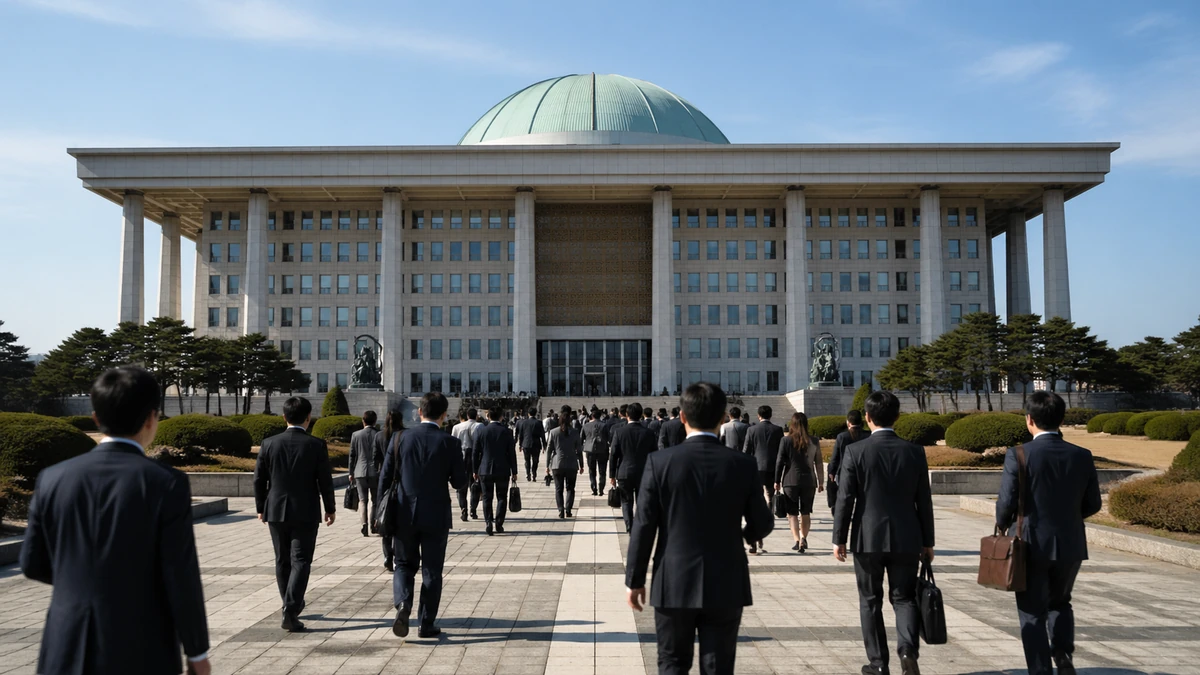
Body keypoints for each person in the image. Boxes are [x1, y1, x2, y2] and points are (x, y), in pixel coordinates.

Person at [21, 366, 211, 675]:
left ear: (96, 418)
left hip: (65, 641)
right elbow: (180, 575)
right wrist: (197, 651)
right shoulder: (166, 482)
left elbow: (32, 563)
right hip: (141, 643)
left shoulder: (52, 478)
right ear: (153, 418)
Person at [626, 382, 774, 675]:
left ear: (682, 416)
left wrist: (635, 579)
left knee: (672, 664)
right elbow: (764, 521)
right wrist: (743, 537)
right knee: (718, 666)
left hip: (673, 578)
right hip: (727, 577)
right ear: (722, 417)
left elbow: (644, 525)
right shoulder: (742, 464)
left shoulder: (660, 462)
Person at [997, 391, 1101, 675]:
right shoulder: (1082, 455)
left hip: (1030, 542)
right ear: (1062, 419)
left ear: (1029, 420)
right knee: (1061, 601)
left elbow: (1006, 500)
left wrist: (1002, 524)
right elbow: (1094, 503)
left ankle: (1040, 669)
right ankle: (1063, 655)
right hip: (1070, 541)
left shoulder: (1018, 454)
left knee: (1031, 609)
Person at [833, 390, 935, 675]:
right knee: (904, 597)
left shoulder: (855, 451)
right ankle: (907, 650)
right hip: (907, 535)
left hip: (867, 537)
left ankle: (878, 663)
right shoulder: (914, 451)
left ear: (867, 417)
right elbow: (923, 500)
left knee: (870, 600)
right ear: (898, 416)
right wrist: (928, 541)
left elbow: (845, 498)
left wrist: (838, 538)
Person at [378, 392, 468, 639]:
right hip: (436, 514)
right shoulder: (449, 442)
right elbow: (460, 482)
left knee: (404, 564)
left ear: (419, 412)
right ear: (443, 415)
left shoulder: (399, 438)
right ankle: (426, 623)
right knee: (432, 570)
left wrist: (379, 511)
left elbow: (385, 479)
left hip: (403, 511)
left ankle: (403, 604)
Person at [254, 396, 336, 632]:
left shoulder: (269, 443)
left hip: (276, 509)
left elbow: (259, 479)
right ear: (309, 418)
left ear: (284, 417)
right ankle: (291, 608)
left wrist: (261, 507)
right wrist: (330, 508)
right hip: (306, 510)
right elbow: (325, 481)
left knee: (282, 559)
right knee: (301, 560)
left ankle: (288, 604)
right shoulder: (316, 445)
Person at [774, 412, 824, 553]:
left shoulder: (785, 440)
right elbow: (818, 462)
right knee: (806, 511)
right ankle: (804, 537)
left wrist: (776, 480)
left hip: (790, 480)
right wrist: (821, 481)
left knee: (793, 513)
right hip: (809, 480)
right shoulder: (814, 441)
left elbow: (779, 462)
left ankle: (796, 539)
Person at [609, 402, 658, 533]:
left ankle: (629, 527)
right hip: (644, 473)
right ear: (641, 415)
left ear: (626, 415)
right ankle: (640, 526)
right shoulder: (648, 433)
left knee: (626, 501)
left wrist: (612, 475)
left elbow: (613, 455)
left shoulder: (619, 432)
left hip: (624, 472)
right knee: (641, 502)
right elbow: (655, 454)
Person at [743, 405, 783, 555]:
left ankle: (755, 537)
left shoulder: (752, 430)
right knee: (770, 495)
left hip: (756, 468)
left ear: (759, 416)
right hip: (773, 468)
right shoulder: (778, 430)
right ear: (771, 415)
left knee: (755, 500)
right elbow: (781, 451)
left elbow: (746, 451)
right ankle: (768, 515)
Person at [475, 407, 520, 535]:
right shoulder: (507, 432)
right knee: (502, 497)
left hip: (484, 468)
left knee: (487, 498)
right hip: (502, 469)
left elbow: (475, 452)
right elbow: (511, 453)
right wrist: (514, 471)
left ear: (488, 417)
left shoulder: (482, 431)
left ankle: (488, 522)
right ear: (501, 417)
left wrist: (475, 469)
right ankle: (499, 524)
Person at [828, 409, 869, 517]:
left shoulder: (842, 436)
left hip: (845, 470)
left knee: (846, 495)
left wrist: (831, 471)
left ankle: (845, 514)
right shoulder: (868, 435)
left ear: (848, 422)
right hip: (864, 471)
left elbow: (835, 456)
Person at [547, 406, 585, 518]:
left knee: (558, 489)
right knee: (570, 488)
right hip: (572, 463)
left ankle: (560, 510)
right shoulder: (575, 432)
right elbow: (579, 450)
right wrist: (581, 465)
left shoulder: (553, 432)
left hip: (557, 464)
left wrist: (547, 466)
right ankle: (568, 509)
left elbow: (549, 450)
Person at [348, 410, 380, 537]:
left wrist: (350, 472)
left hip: (360, 471)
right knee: (375, 500)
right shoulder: (379, 434)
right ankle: (373, 524)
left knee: (362, 500)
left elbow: (352, 455)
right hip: (375, 472)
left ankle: (364, 525)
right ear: (375, 421)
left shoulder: (356, 435)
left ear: (363, 421)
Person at [451, 408, 481, 522]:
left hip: (461, 457)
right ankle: (473, 509)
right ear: (476, 416)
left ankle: (463, 508)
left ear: (467, 415)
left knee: (461, 487)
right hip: (475, 458)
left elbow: (453, 444)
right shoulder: (480, 426)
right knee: (475, 486)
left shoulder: (457, 427)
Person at [582, 409, 610, 496]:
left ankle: (594, 487)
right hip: (603, 450)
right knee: (602, 471)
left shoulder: (586, 426)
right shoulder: (604, 425)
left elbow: (581, 438)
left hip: (590, 450)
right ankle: (601, 488)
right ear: (600, 415)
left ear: (592, 416)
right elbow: (609, 437)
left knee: (591, 470)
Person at [516, 407, 546, 482]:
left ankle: (528, 473)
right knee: (535, 460)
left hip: (526, 444)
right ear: (536, 413)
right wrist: (544, 445)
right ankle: (534, 473)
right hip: (536, 444)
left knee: (527, 460)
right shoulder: (538, 422)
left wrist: (520, 444)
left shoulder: (524, 422)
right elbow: (542, 434)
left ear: (528, 413)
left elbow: (521, 435)